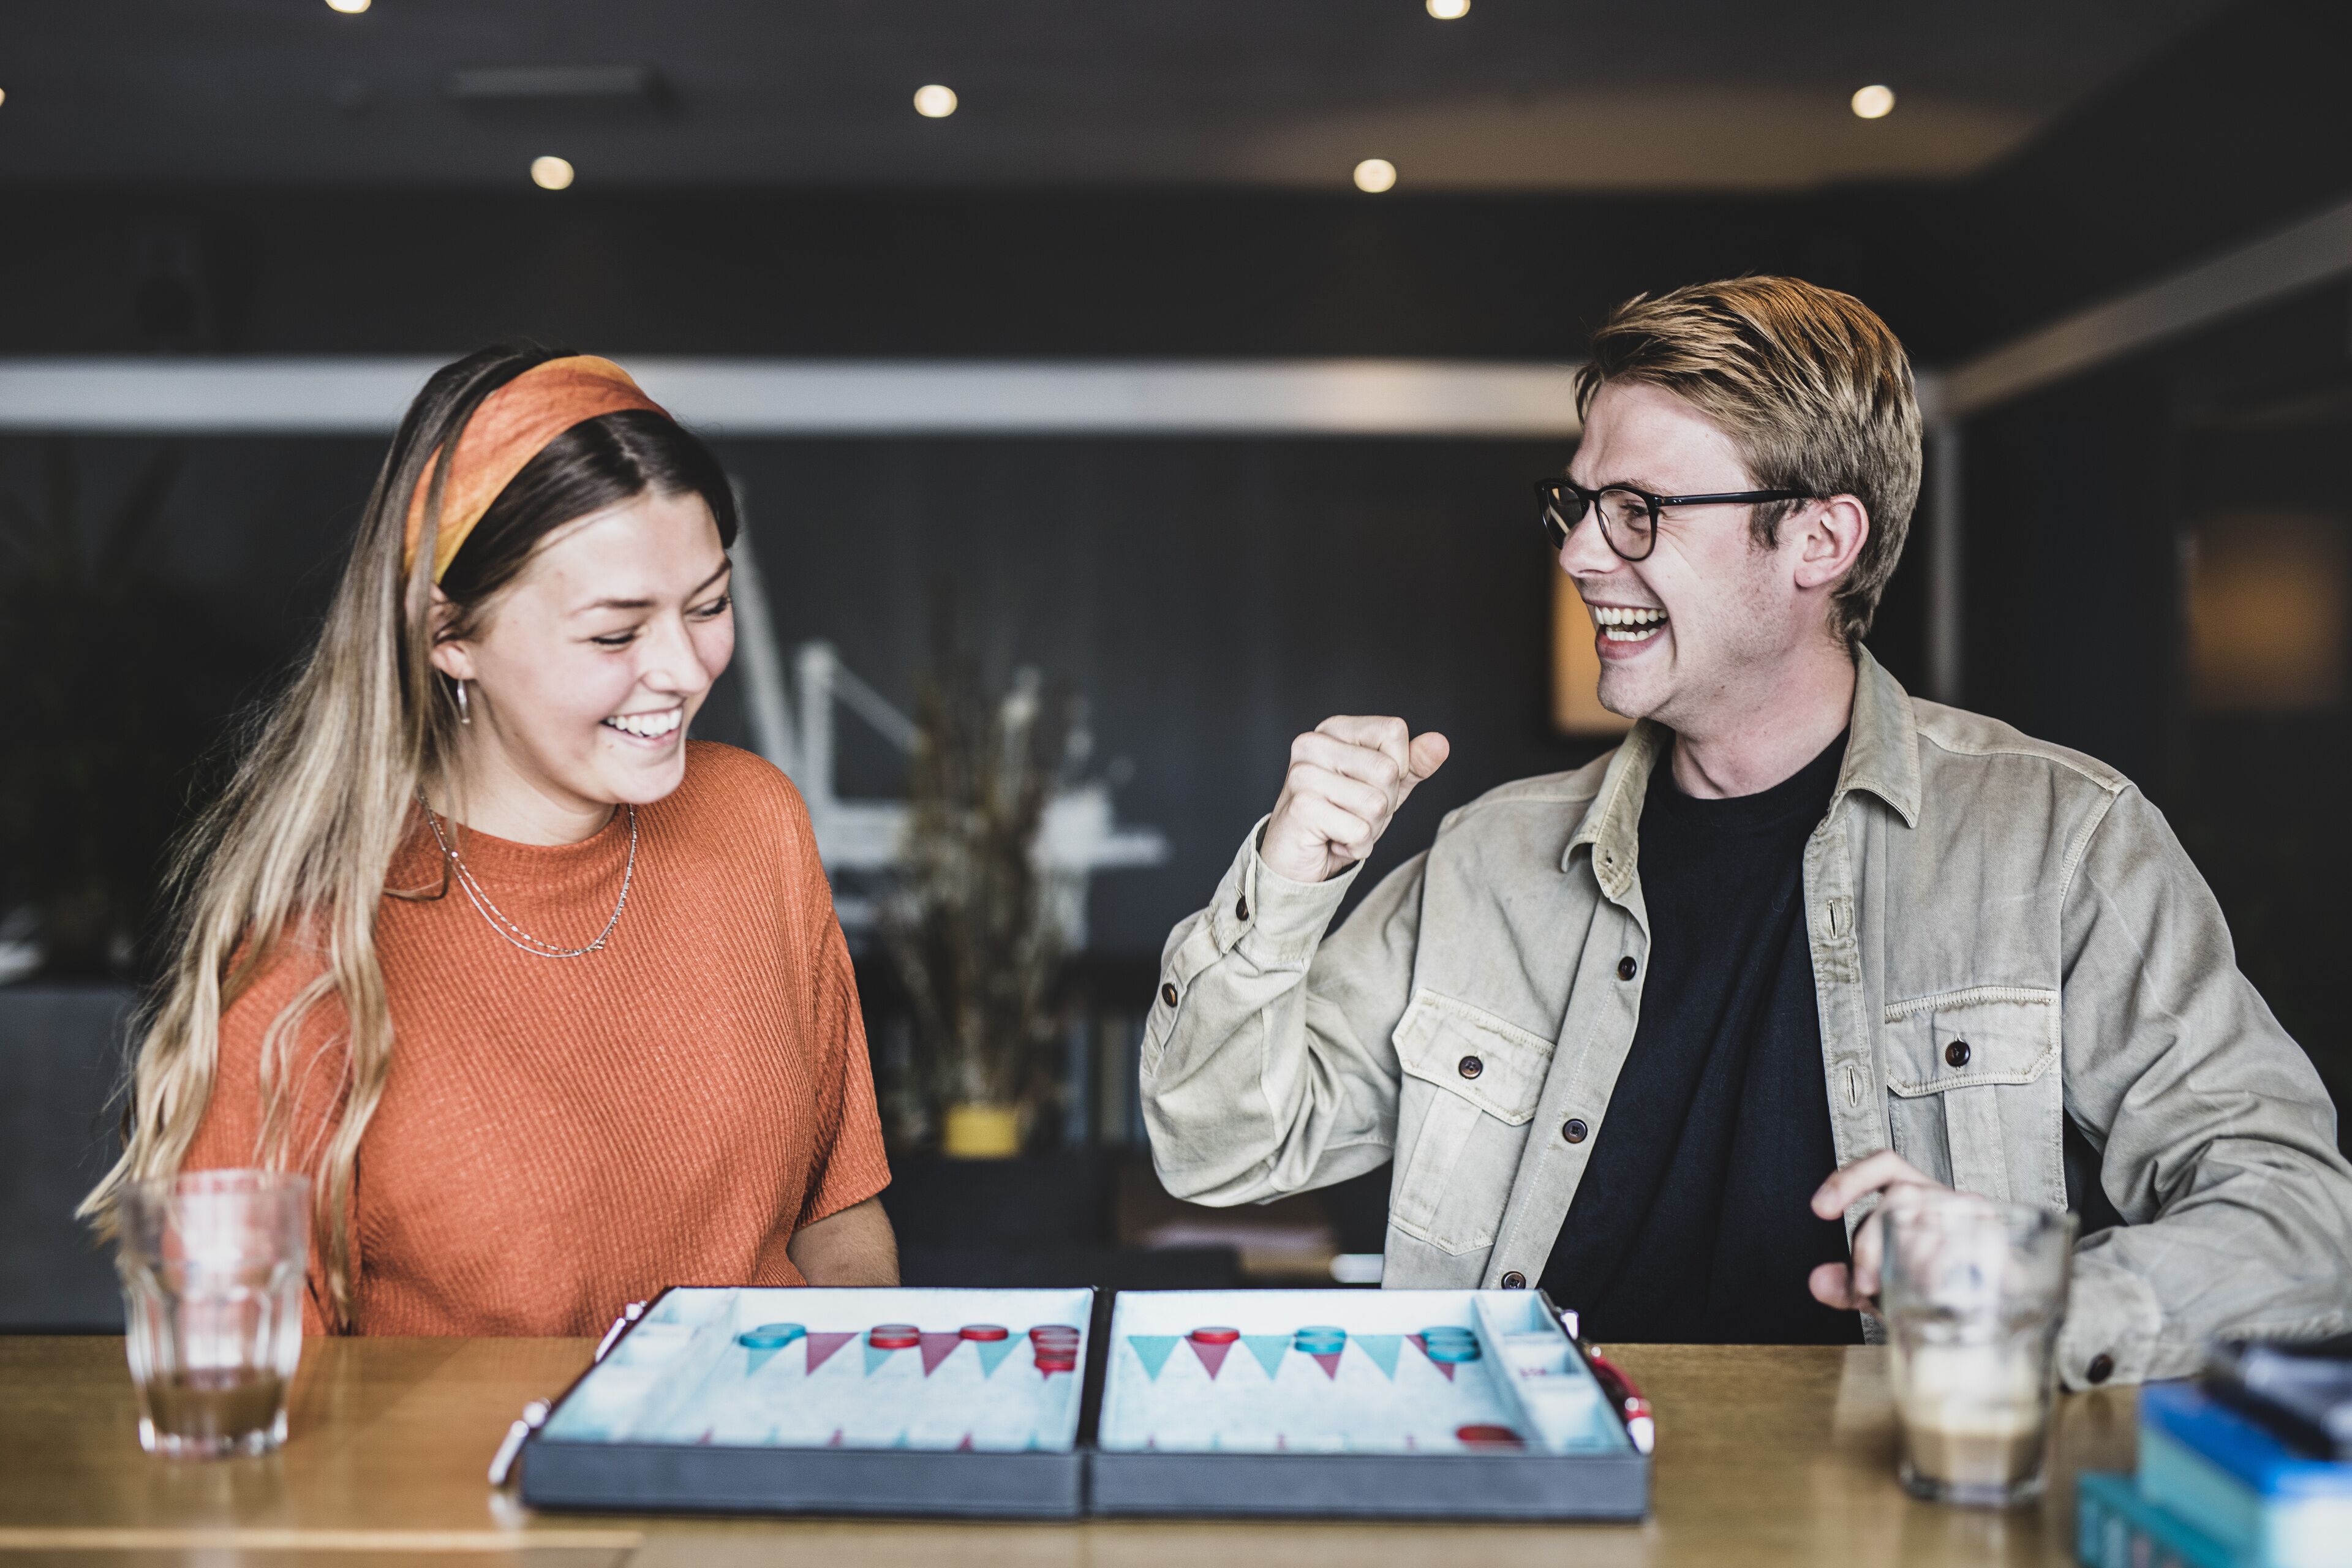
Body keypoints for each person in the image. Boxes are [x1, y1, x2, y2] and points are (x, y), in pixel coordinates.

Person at [1141, 276, 2352, 1386]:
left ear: (1820, 541)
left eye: (1636, 510)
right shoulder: (1487, 860)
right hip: (1532, 1510)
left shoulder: (2060, 840)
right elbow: (1223, 1155)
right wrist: (1289, 885)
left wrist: (2034, 1299)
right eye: (1578, 502)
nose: (1574, 550)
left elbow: (2301, 1219)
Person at [82, 345, 897, 1335]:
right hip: (464, 1492)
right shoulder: (313, 956)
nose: (685, 669)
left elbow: (839, 1218)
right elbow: (233, 1368)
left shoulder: (754, 822)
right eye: (614, 633)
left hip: (754, 1475)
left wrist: (853, 1413)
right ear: (449, 636)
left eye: (709, 605)